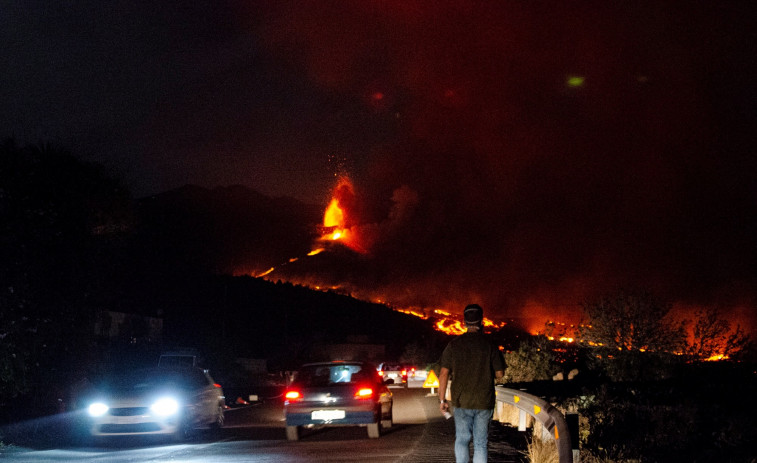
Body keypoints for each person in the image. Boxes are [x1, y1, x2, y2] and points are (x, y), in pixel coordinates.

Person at [439, 304, 505, 463]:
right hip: (484, 401)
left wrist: (442, 400)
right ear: (482, 321)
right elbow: (500, 374)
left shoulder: (454, 345)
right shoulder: (489, 344)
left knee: (462, 439)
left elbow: (443, 373)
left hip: (462, 401)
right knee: (481, 443)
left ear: (464, 322)